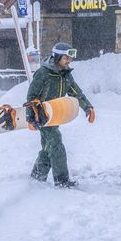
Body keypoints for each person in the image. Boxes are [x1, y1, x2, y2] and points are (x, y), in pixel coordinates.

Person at [28, 42, 95, 189]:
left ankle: (37, 176)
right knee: (56, 144)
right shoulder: (43, 73)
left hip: (56, 115)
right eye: (66, 58)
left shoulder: (65, 75)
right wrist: (30, 118)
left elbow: (76, 92)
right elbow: (31, 96)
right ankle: (62, 180)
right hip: (42, 116)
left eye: (70, 58)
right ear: (57, 57)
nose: (69, 61)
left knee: (48, 147)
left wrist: (88, 108)